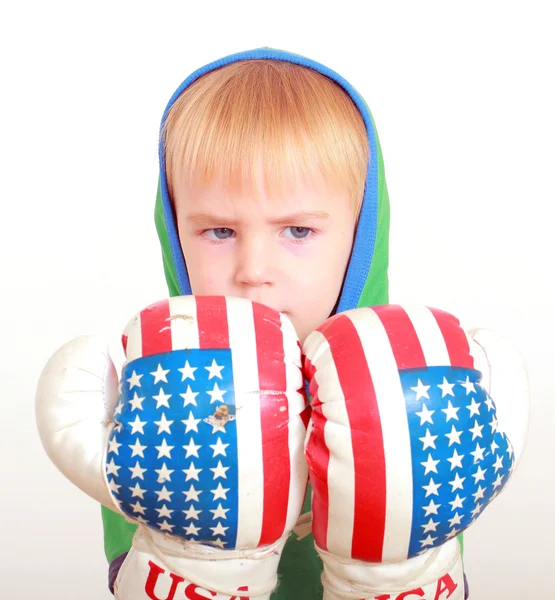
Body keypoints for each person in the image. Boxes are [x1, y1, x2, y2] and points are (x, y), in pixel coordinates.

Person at [99, 46, 465, 598]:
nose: (254, 271)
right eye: (218, 232)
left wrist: (408, 575)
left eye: (297, 232)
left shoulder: (414, 389)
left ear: (362, 236)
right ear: (175, 236)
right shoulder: (150, 391)